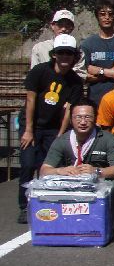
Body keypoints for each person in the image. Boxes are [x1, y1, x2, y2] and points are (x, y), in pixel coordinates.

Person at [17, 34, 83, 223]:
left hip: (53, 127)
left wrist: (60, 136)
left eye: (69, 53)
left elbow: (68, 110)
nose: (65, 57)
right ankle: (24, 206)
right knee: (28, 164)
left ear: (74, 56)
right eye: (61, 52)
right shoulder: (39, 71)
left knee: (49, 167)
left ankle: (46, 202)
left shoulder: (75, 81)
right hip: (32, 124)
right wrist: (29, 130)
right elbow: (30, 99)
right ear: (54, 54)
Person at [40, 99, 114, 231]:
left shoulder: (107, 139)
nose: (82, 122)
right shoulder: (62, 141)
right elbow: (44, 170)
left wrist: (97, 172)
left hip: (100, 182)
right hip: (72, 182)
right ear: (71, 120)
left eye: (87, 117)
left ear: (95, 118)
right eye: (78, 117)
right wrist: (60, 171)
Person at [30, 9, 86, 79]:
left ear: (72, 28)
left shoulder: (78, 52)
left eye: (67, 25)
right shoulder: (39, 48)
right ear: (52, 26)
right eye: (60, 25)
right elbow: (34, 74)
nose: (63, 29)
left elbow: (81, 76)